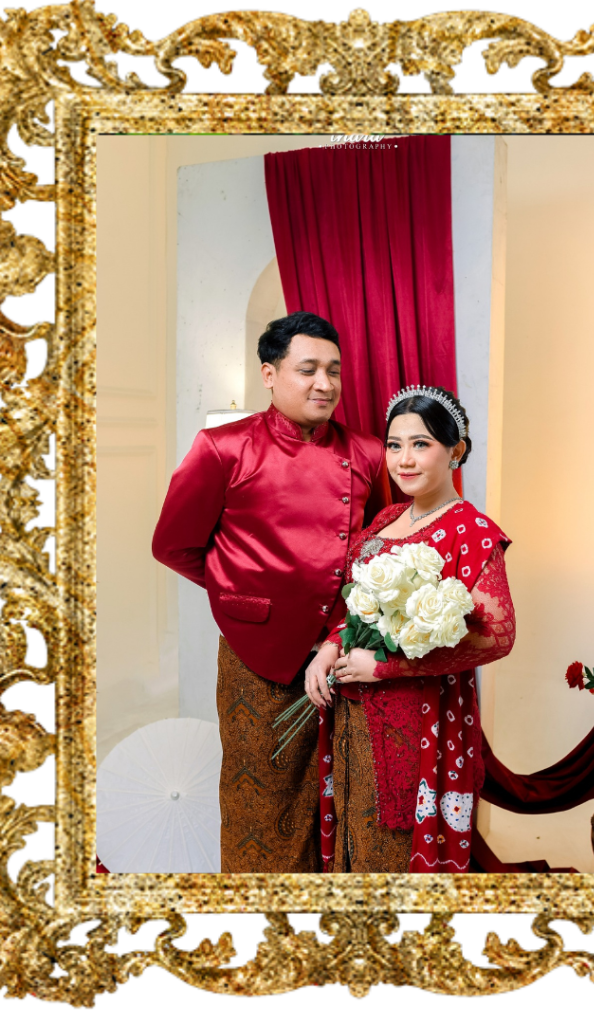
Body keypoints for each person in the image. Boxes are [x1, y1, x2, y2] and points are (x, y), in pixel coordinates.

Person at [151, 311, 387, 873]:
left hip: (346, 656)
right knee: (258, 803)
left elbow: (381, 553)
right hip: (255, 657)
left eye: (333, 370)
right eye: (308, 369)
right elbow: (173, 545)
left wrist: (342, 631)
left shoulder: (369, 454)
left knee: (350, 801)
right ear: (269, 374)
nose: (324, 383)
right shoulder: (222, 448)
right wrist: (240, 593)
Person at [305, 385, 516, 872]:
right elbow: (355, 606)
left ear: (456, 451)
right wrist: (329, 649)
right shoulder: (388, 517)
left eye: (421, 444)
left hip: (420, 719)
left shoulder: (472, 529)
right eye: (395, 445)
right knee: (355, 838)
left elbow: (498, 635)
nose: (404, 459)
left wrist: (385, 667)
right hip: (352, 713)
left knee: (393, 852)